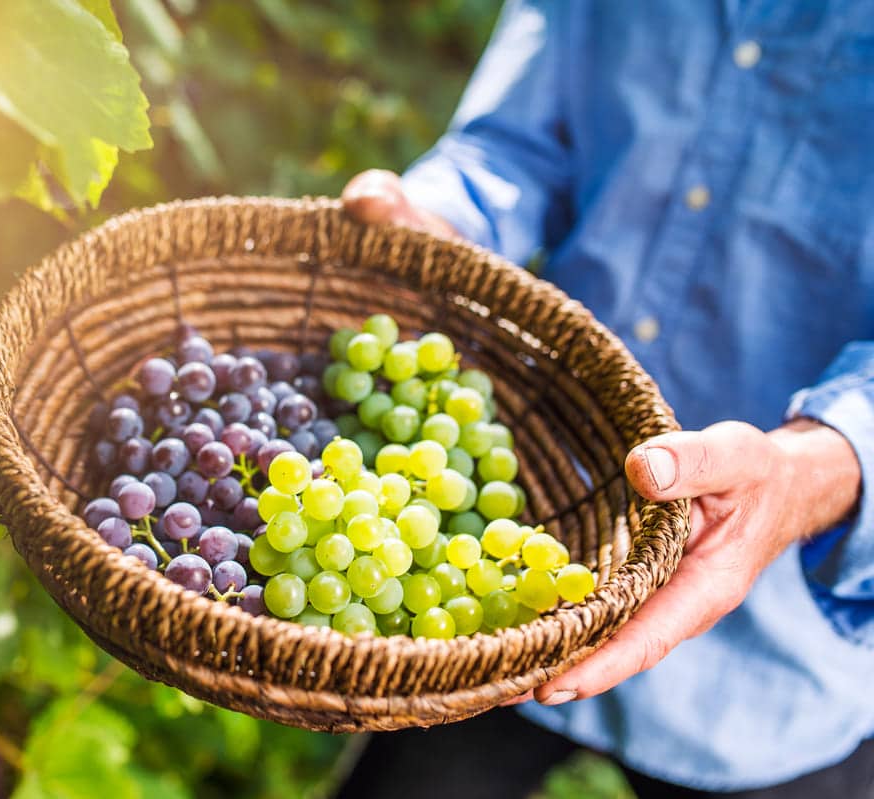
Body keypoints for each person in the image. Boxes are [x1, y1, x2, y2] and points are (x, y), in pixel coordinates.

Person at [335, 1, 874, 796]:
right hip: (514, 556)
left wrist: (813, 471)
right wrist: (438, 221)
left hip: (775, 669)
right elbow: (516, 145)